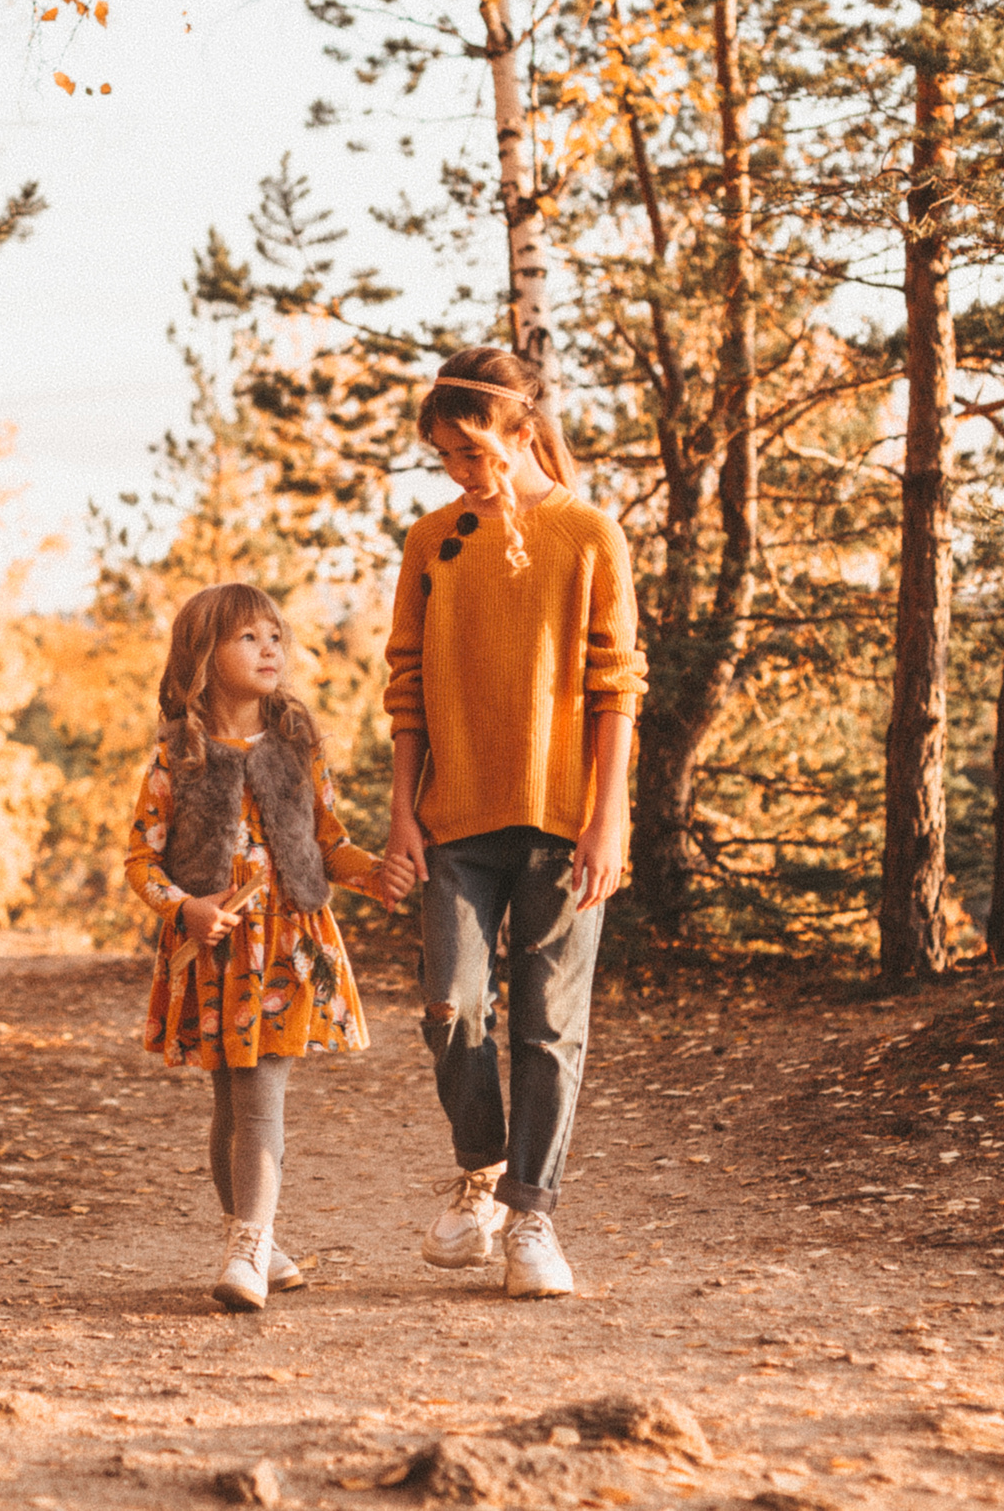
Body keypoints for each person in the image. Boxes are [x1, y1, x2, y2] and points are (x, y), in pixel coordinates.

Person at [379, 345, 646, 1300]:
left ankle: (531, 1216)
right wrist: (403, 814)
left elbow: (619, 686)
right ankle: (482, 1171)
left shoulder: (588, 535)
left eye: (473, 450)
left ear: (522, 431)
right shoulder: (432, 539)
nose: (461, 471)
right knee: (449, 1008)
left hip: (566, 820)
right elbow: (404, 686)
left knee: (547, 1024)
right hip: (454, 821)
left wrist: (607, 817)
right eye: (446, 456)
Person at [127, 583, 414, 1312]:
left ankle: (249, 1247)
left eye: (275, 638)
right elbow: (141, 861)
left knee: (259, 1098)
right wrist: (184, 907)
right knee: (229, 1101)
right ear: (203, 656)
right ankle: (256, 1238)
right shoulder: (175, 756)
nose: (270, 650)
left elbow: (327, 841)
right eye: (249, 638)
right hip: (213, 952)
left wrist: (374, 876)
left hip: (288, 946)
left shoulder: (295, 746)